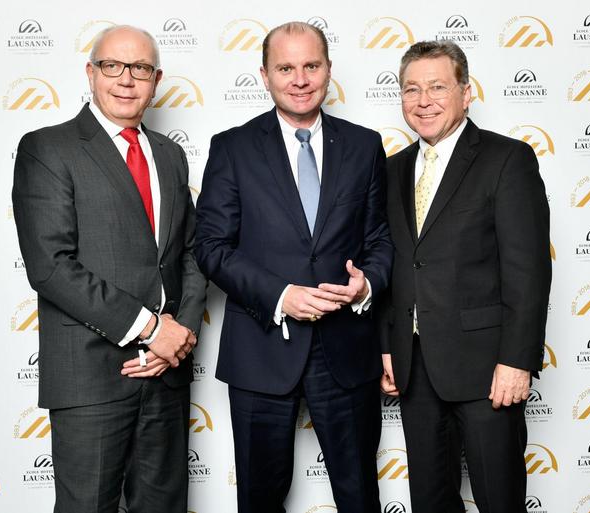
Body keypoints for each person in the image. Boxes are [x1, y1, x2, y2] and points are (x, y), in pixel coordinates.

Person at [194, 21, 392, 513]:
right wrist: (281, 295)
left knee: (359, 495)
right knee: (260, 499)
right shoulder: (232, 147)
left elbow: (379, 240)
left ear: (328, 70)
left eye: (311, 66)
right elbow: (211, 246)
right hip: (260, 350)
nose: (300, 79)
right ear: (265, 75)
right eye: (286, 68)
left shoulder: (364, 145)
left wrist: (366, 285)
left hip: (346, 350)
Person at [12, 25, 206, 513]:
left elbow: (190, 252)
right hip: (90, 377)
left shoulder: (170, 155)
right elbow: (51, 267)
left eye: (139, 68)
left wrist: (179, 334)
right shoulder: (47, 148)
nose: (126, 79)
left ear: (155, 80)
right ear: (91, 72)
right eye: (112, 66)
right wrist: (151, 329)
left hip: (166, 375)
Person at [379, 40, 551, 513]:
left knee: (499, 500)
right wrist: (388, 344)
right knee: (429, 502)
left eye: (437, 87)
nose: (423, 101)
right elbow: (393, 264)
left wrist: (516, 361)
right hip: (415, 370)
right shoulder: (391, 171)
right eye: (411, 89)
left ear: (466, 93)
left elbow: (529, 270)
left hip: (487, 371)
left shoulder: (507, 159)